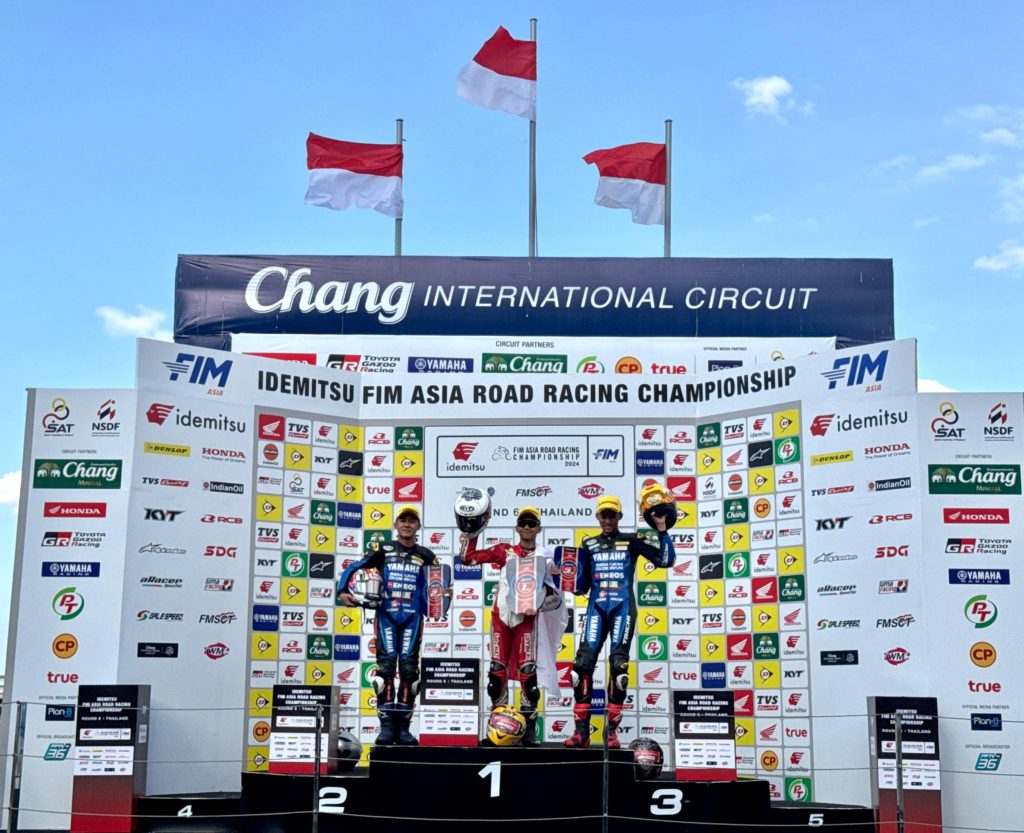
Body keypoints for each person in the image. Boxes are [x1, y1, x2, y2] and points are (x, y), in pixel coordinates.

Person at [564, 495, 675, 749]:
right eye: (603, 515)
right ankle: (581, 733)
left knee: (619, 669)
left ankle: (611, 733)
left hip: (622, 610)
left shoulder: (632, 540)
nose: (607, 519)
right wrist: (567, 577)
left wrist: (661, 529)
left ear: (619, 517)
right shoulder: (588, 544)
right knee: (581, 667)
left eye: (612, 515)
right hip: (596, 609)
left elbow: (665, 560)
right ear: (597, 517)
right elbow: (582, 586)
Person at [460, 506, 567, 746]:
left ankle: (528, 731)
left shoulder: (547, 557)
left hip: (526, 620)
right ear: (517, 528)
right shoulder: (505, 551)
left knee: (528, 674)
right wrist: (473, 532)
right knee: (496, 674)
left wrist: (543, 595)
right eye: (523, 523)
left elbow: (556, 595)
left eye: (532, 524)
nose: (527, 527)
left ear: (539, 528)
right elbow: (468, 558)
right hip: (501, 618)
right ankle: (497, 729)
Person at [337, 506, 438, 746]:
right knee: (384, 673)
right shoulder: (383, 550)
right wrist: (342, 591)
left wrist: (441, 598)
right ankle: (386, 729)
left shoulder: (427, 555)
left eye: (412, 521)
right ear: (395, 525)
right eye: (403, 520)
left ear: (418, 526)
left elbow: (437, 584)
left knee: (410, 674)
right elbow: (354, 567)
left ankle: (403, 730)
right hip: (386, 617)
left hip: (413, 618)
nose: (407, 524)